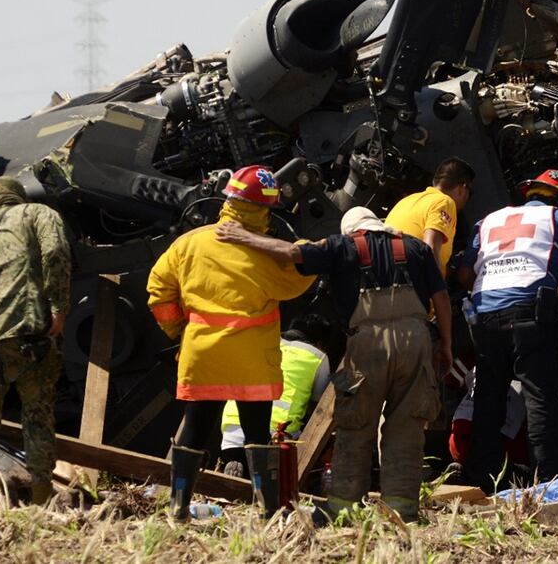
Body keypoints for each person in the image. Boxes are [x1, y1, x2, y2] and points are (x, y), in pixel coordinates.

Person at [215, 206, 451, 522]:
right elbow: (443, 298)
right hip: (416, 340)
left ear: (351, 229)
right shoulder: (417, 248)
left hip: (367, 342)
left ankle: (343, 508)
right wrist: (446, 344)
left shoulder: (342, 246)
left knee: (356, 425)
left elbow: (290, 253)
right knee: (407, 426)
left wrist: (243, 236)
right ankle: (402, 510)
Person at [147, 165, 316, 519]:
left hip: (203, 356)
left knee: (195, 428)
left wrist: (179, 332)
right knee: (256, 433)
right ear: (264, 209)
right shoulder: (265, 253)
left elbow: (158, 293)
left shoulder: (188, 243)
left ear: (229, 199)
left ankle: (177, 509)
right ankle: (267, 512)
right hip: (251, 359)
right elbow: (302, 271)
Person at [456, 169, 558, 489]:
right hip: (531, 317)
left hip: (485, 319)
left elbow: (465, 275)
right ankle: (546, 483)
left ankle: (483, 480)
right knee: (541, 399)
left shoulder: (488, 221)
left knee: (488, 401)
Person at [0, 177, 70, 506]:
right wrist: (59, 308)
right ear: (19, 195)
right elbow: (57, 253)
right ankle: (41, 501)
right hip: (28, 333)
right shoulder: (38, 213)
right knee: (37, 413)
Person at [219, 313, 333, 475]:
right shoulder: (319, 357)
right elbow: (317, 408)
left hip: (231, 427)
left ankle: (236, 460)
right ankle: (267, 478)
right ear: (320, 342)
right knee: (296, 442)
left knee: (245, 456)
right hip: (276, 435)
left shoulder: (266, 342)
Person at [385, 157, 475, 276]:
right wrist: (438, 291)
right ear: (461, 189)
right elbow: (430, 248)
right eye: (470, 193)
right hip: (411, 281)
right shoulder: (445, 202)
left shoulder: (406, 201)